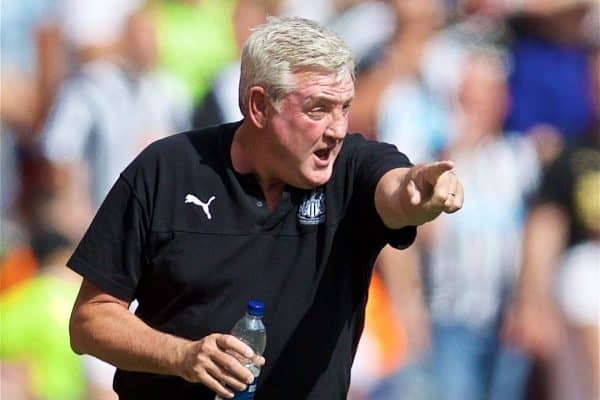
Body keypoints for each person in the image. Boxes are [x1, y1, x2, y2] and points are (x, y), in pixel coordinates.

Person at [67, 17, 464, 400]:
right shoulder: (167, 170)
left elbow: (395, 191)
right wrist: (183, 357)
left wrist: (419, 190)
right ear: (259, 107)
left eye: (344, 107)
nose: (338, 128)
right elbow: (89, 320)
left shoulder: (351, 169)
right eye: (318, 109)